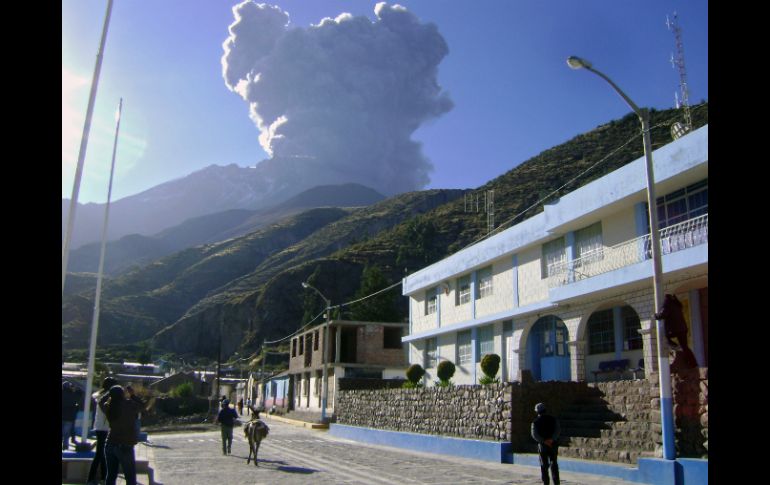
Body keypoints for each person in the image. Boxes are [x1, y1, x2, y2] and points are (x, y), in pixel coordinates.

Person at [100, 385, 143, 485]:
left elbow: (100, 402)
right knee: (130, 477)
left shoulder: (108, 407)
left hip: (110, 443)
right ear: (122, 394)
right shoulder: (129, 405)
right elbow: (142, 406)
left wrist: (108, 393)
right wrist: (133, 395)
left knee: (111, 476)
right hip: (125, 445)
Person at [86, 376, 117, 485]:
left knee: (103, 454)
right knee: (100, 454)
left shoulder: (100, 394)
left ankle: (103, 478)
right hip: (103, 427)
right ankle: (92, 478)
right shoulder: (103, 396)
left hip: (101, 427)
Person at [654, 293, 697, 368]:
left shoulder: (667, 302)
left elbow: (663, 314)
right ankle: (693, 363)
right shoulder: (676, 303)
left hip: (674, 329)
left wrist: (655, 316)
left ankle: (676, 347)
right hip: (682, 328)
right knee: (685, 346)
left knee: (665, 338)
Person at [531, 402, 560, 485]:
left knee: (544, 465)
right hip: (553, 444)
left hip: (543, 445)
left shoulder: (535, 422)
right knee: (554, 463)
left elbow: (534, 434)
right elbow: (557, 430)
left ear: (537, 412)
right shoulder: (553, 419)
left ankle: (546, 482)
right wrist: (552, 439)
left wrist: (544, 441)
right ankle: (556, 482)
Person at [62, 382, 80, 450]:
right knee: (66, 434)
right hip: (69, 417)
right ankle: (65, 446)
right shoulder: (73, 395)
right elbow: (80, 392)